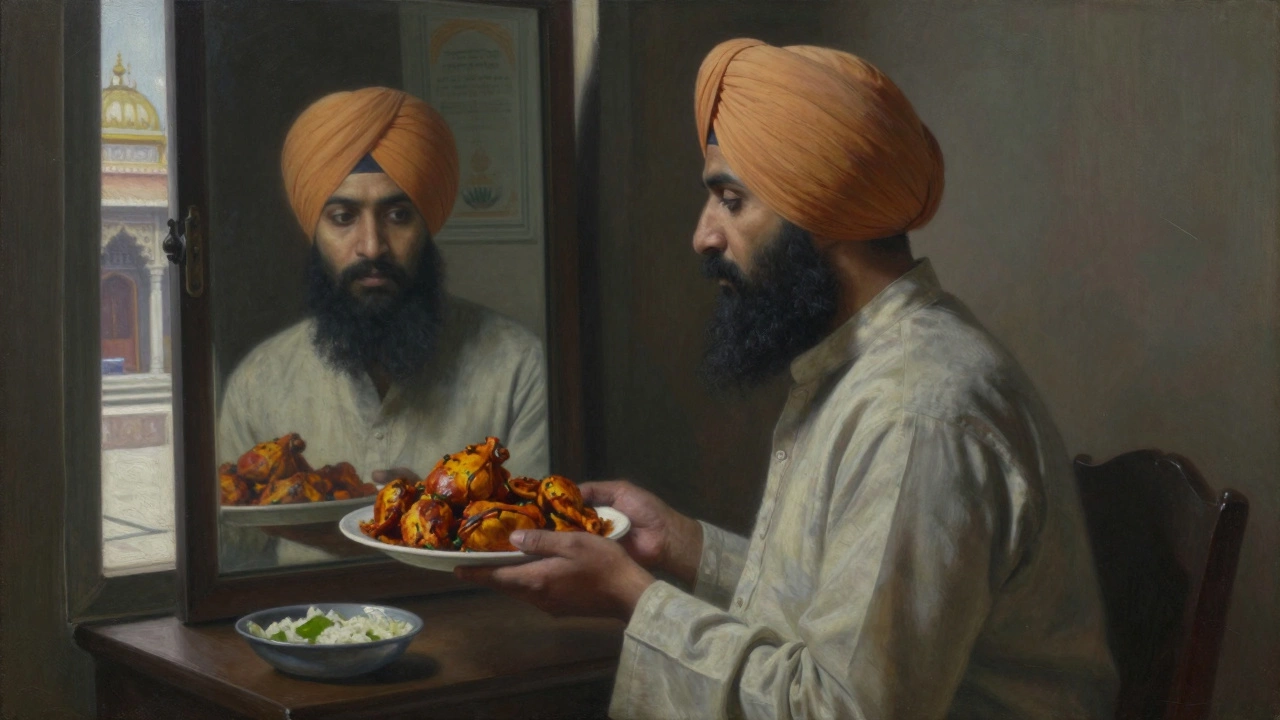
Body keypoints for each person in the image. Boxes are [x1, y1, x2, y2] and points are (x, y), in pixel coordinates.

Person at [458, 39, 1119, 718]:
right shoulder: (870, 367)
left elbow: (839, 708)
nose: (702, 236)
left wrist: (635, 598)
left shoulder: (916, 411)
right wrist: (678, 547)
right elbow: (837, 621)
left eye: (731, 200)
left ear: (824, 207)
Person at [218, 87, 548, 571]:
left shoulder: (515, 364)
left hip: (474, 629)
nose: (372, 246)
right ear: (314, 229)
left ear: (427, 224)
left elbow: (540, 546)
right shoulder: (261, 378)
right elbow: (230, 555)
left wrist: (430, 525)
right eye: (343, 217)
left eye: (397, 215)